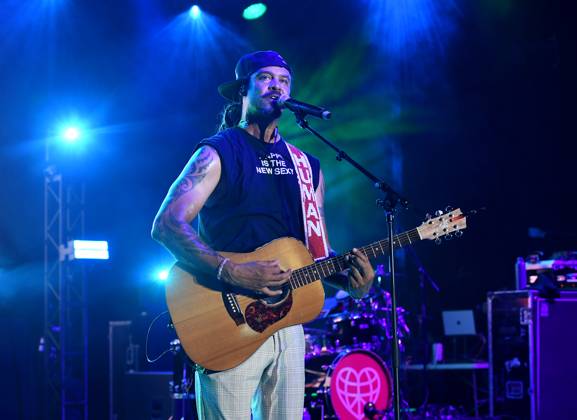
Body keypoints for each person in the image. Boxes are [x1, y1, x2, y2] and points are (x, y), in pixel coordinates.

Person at [151, 50, 375, 419]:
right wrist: (231, 271)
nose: (277, 86)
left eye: (284, 80)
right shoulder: (219, 151)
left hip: (288, 324)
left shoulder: (307, 167)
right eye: (266, 78)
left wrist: (351, 282)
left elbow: (316, 252)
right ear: (244, 89)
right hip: (226, 318)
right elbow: (167, 224)